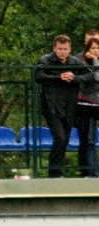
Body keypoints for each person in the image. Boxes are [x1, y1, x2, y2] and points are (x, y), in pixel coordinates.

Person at [35, 35, 87, 178]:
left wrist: (74, 78)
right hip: (51, 107)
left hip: (69, 107)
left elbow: (90, 75)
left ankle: (57, 171)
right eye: (60, 49)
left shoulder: (75, 62)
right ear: (54, 48)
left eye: (65, 49)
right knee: (60, 138)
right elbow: (38, 76)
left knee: (65, 139)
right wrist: (59, 77)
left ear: (70, 49)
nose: (62, 52)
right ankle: (54, 172)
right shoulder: (45, 60)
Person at [76, 34, 99, 178]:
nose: (96, 51)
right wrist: (96, 62)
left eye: (98, 48)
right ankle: (91, 173)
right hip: (86, 104)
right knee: (88, 140)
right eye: (93, 48)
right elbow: (96, 78)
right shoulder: (79, 60)